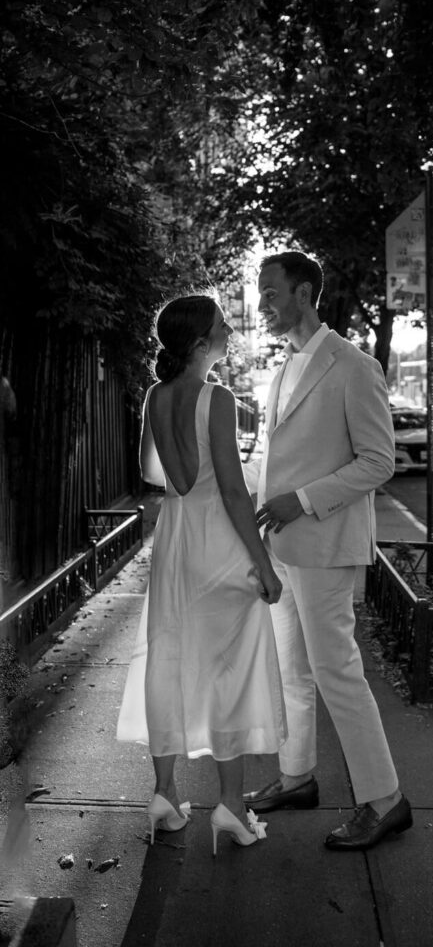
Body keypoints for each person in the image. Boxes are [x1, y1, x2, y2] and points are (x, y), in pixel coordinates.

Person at [243, 251, 412, 850]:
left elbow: (379, 462)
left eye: (270, 291)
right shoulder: (283, 367)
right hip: (281, 545)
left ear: (305, 291)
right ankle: (297, 777)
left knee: (337, 672)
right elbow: (278, 457)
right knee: (291, 670)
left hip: (326, 545)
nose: (262, 301)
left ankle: (385, 800)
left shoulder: (353, 366)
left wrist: (304, 499)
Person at [117, 293, 286, 855]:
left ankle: (164, 795)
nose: (230, 331)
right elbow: (234, 493)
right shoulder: (216, 397)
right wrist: (264, 567)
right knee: (229, 671)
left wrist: (178, 456)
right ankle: (231, 808)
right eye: (222, 325)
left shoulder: (155, 396)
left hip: (174, 542)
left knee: (168, 657)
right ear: (198, 342)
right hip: (217, 545)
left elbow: (150, 474)